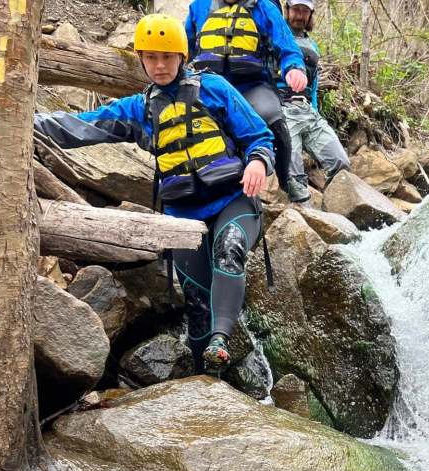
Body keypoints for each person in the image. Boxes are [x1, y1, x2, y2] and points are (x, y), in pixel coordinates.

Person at [33, 14, 275, 372]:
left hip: (233, 200)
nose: (159, 66)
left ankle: (221, 341)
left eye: (167, 57)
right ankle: (205, 379)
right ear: (142, 59)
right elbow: (85, 125)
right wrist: (28, 123)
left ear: (182, 56)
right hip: (183, 214)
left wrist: (257, 161)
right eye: (151, 57)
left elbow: (259, 136)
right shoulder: (139, 109)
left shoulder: (215, 89)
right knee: (195, 302)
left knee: (230, 248)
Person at [185, 0, 311, 202]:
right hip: (210, 86)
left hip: (251, 86)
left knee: (276, 123)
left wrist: (295, 67)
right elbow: (184, 49)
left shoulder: (264, 8)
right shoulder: (199, 6)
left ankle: (286, 178)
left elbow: (287, 46)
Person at [278, 0, 350, 199]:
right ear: (287, 10)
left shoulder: (312, 45)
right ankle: (302, 217)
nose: (299, 16)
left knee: (340, 163)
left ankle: (331, 208)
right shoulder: (275, 36)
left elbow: (315, 84)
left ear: (310, 15)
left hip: (308, 110)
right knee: (293, 176)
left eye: (304, 11)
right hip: (282, 107)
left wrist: (315, 110)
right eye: (296, 10)